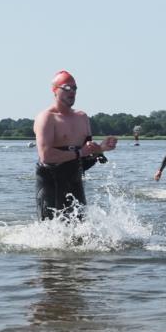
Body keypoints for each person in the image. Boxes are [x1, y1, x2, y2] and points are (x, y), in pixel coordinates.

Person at [33, 70, 118, 220]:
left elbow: (87, 158)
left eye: (74, 88)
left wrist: (101, 148)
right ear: (54, 90)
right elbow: (46, 156)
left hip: (75, 181)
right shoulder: (46, 118)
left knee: (81, 229)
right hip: (51, 183)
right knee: (51, 232)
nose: (72, 91)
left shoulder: (82, 117)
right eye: (67, 88)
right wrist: (80, 153)